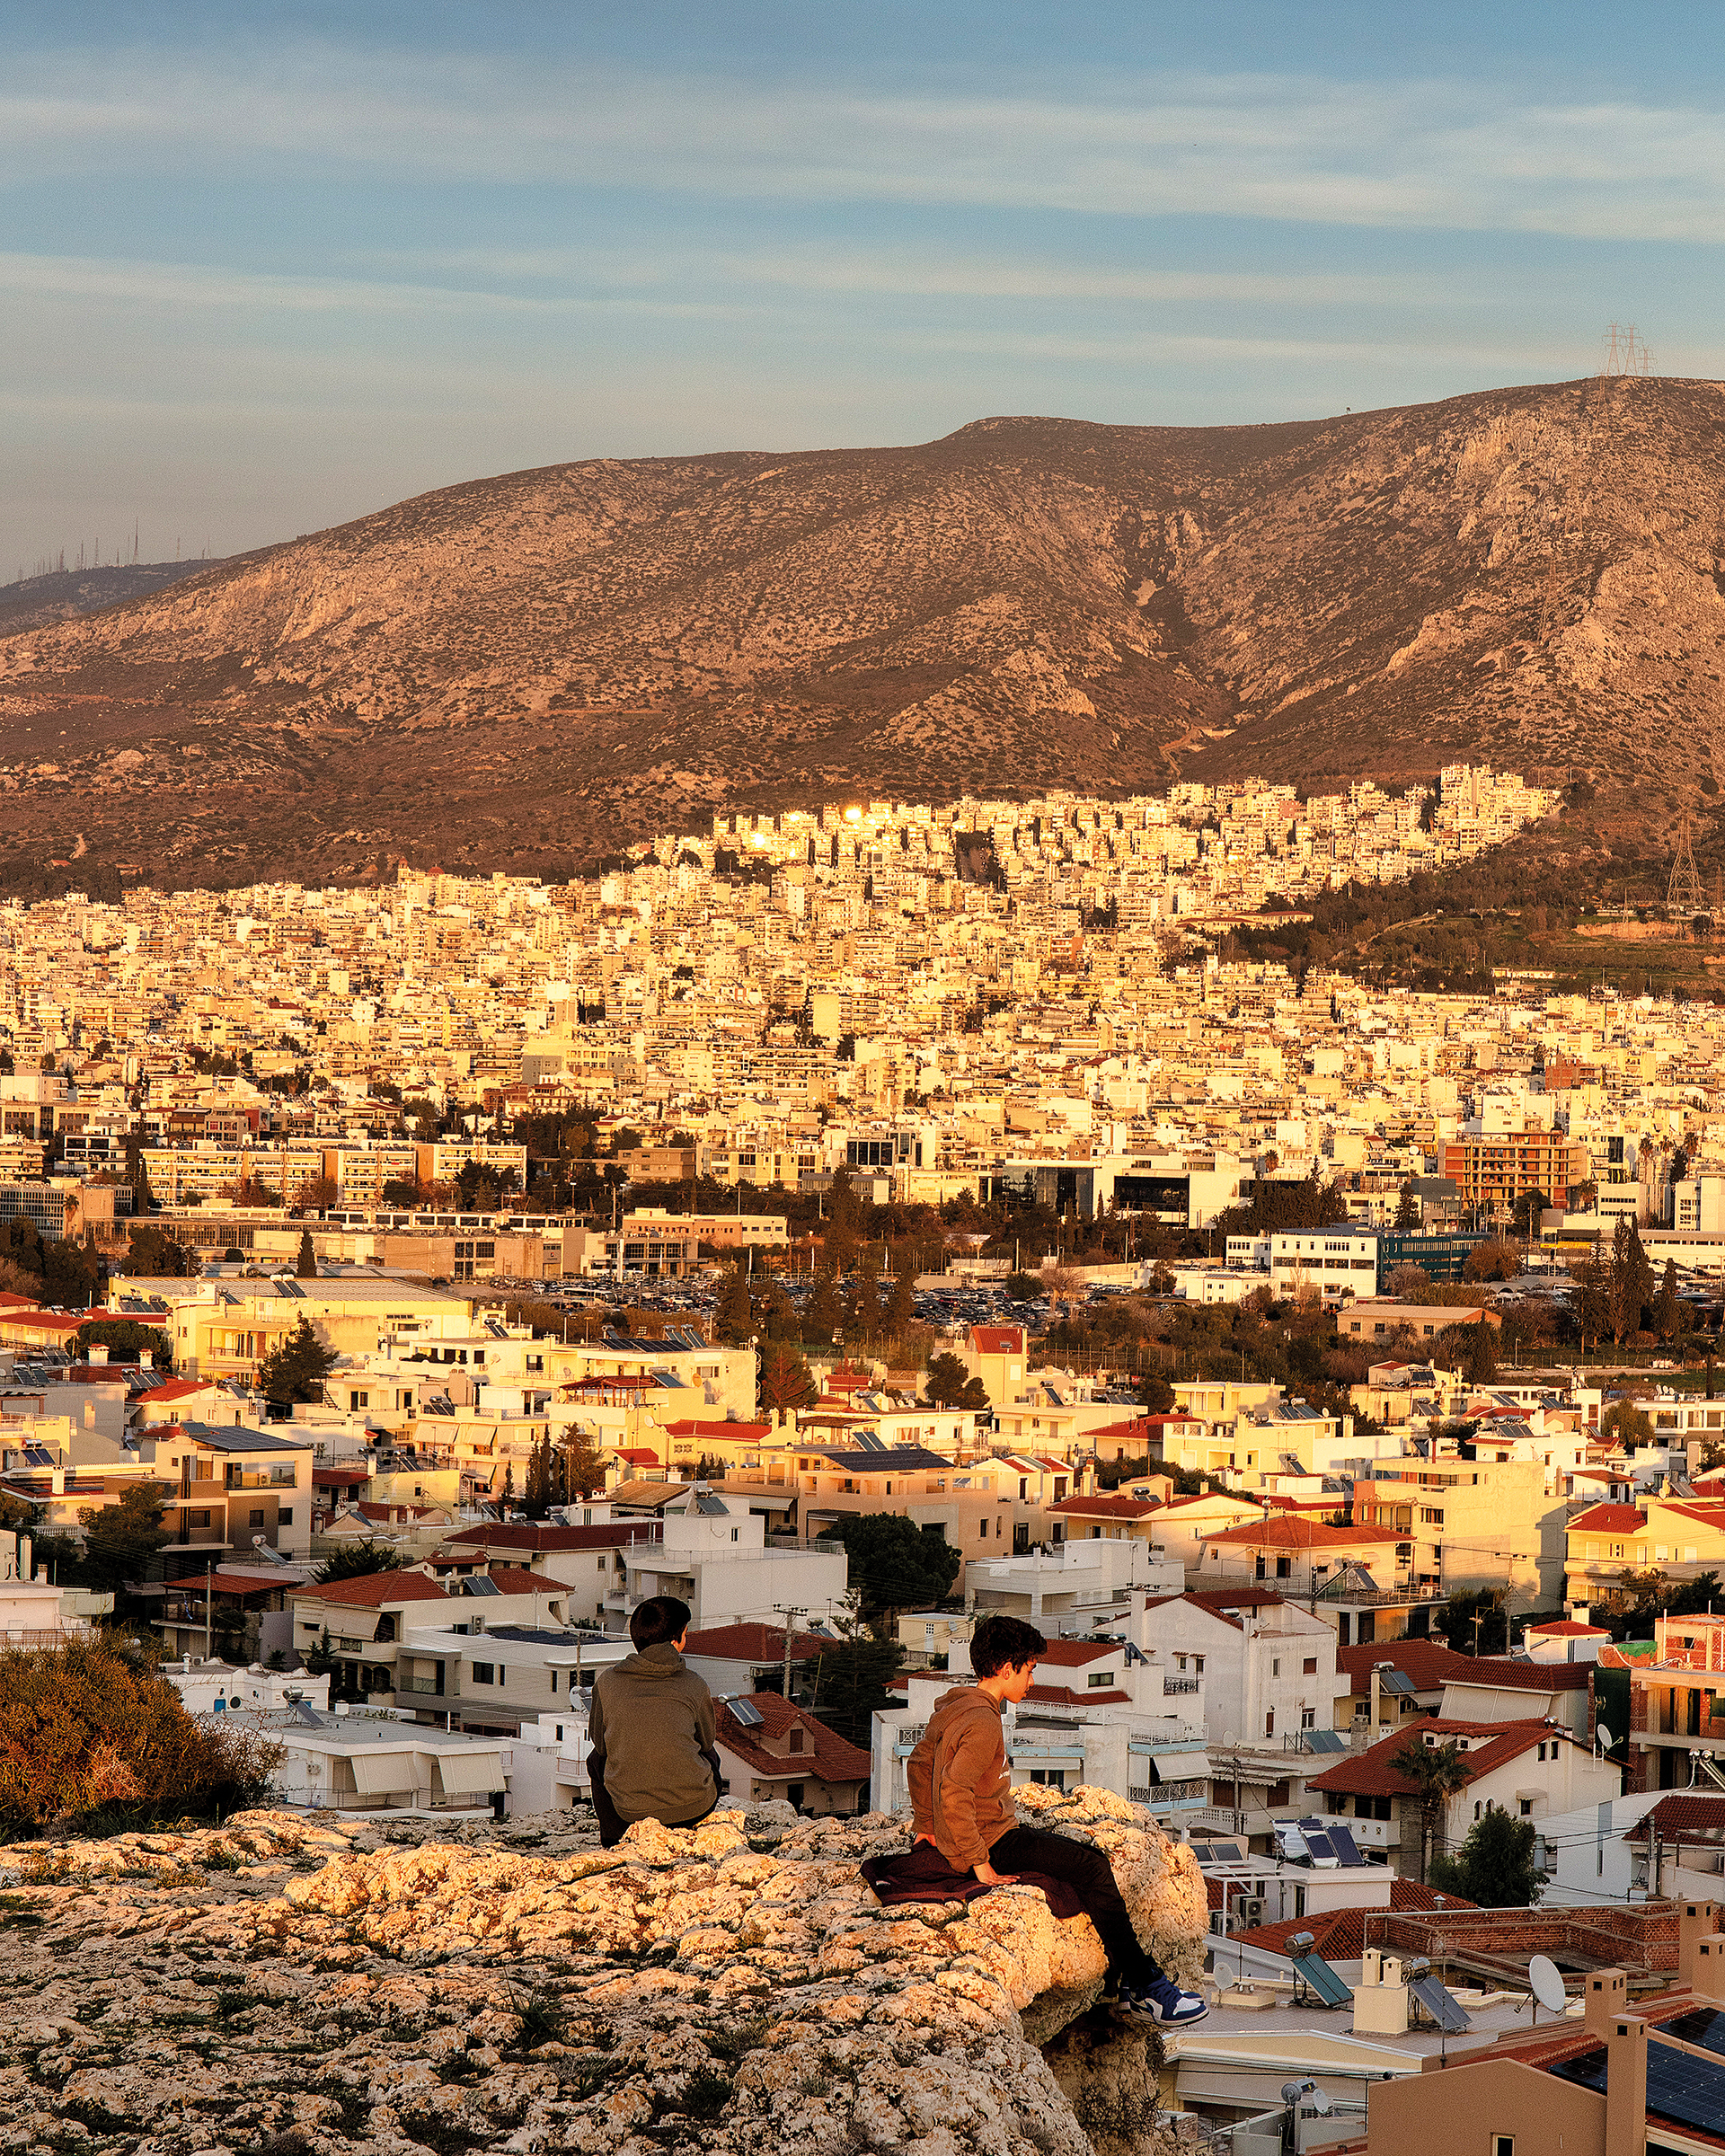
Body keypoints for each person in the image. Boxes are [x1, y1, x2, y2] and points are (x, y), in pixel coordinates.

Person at [905, 1613, 1208, 2027]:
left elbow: (919, 1764)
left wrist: (927, 1827)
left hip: (975, 1835)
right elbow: (954, 1789)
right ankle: (1143, 1985)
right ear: (1005, 1668)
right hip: (994, 1840)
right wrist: (980, 1863)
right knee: (1095, 1866)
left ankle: (1126, 1980)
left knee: (1075, 1862)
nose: (1031, 1682)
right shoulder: (983, 1721)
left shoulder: (954, 1707)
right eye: (1028, 1670)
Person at [586, 1595, 722, 1848]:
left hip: (629, 1812)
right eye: (685, 1633)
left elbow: (601, 1745)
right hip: (693, 1808)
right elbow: (706, 1741)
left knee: (595, 1760)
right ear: (675, 1640)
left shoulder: (607, 1682)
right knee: (712, 1755)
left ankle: (612, 1838)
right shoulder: (694, 1684)